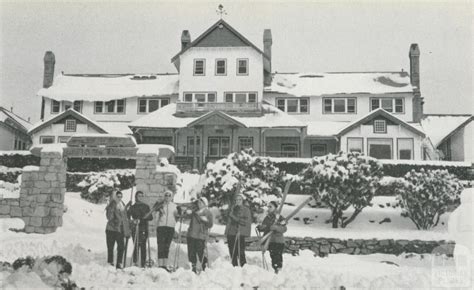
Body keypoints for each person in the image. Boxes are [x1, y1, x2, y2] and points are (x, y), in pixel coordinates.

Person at [257, 201, 287, 273]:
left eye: (271, 207)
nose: (269, 208)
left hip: (278, 240)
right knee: (273, 256)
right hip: (270, 241)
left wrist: (276, 228)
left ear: (275, 208)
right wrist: (261, 228)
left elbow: (284, 229)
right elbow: (266, 227)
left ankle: (278, 270)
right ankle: (275, 270)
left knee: (277, 257)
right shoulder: (267, 218)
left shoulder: (280, 217)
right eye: (268, 206)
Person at [186, 197, 213, 273]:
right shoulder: (194, 211)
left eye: (201, 203)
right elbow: (186, 216)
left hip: (201, 235)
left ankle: (204, 266)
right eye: (198, 203)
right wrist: (187, 212)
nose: (199, 204)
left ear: (205, 204)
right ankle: (193, 266)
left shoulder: (207, 212)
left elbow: (210, 224)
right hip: (191, 234)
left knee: (200, 251)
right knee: (191, 252)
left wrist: (203, 219)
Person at [126, 191, 153, 268]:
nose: (140, 197)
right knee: (136, 245)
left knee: (143, 246)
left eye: (142, 196)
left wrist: (145, 217)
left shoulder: (146, 206)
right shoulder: (133, 207)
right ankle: (135, 262)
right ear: (136, 197)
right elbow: (128, 216)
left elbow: (151, 217)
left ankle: (143, 263)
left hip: (143, 228)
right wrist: (133, 221)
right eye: (139, 196)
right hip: (135, 228)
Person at [105, 191, 131, 269]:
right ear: (115, 197)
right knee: (110, 246)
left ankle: (119, 262)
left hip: (120, 230)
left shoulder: (122, 205)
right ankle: (110, 262)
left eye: (120, 197)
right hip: (111, 229)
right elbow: (109, 217)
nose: (119, 198)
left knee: (121, 246)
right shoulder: (111, 205)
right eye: (118, 196)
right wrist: (112, 208)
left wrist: (126, 229)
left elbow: (125, 218)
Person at [154, 190, 179, 270]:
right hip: (161, 227)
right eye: (166, 195)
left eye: (169, 195)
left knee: (166, 246)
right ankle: (160, 264)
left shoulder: (174, 206)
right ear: (164, 196)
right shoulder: (161, 205)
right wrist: (158, 215)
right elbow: (155, 216)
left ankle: (165, 264)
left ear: (171, 197)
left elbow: (177, 217)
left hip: (170, 227)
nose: (167, 197)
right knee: (161, 245)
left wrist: (175, 222)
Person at [225, 193, 252, 267]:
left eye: (239, 200)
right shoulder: (232, 209)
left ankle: (243, 266)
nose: (238, 201)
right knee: (232, 251)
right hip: (231, 232)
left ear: (242, 200)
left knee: (240, 251)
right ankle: (234, 266)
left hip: (240, 233)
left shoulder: (246, 210)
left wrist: (234, 217)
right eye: (236, 200)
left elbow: (245, 222)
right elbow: (228, 221)